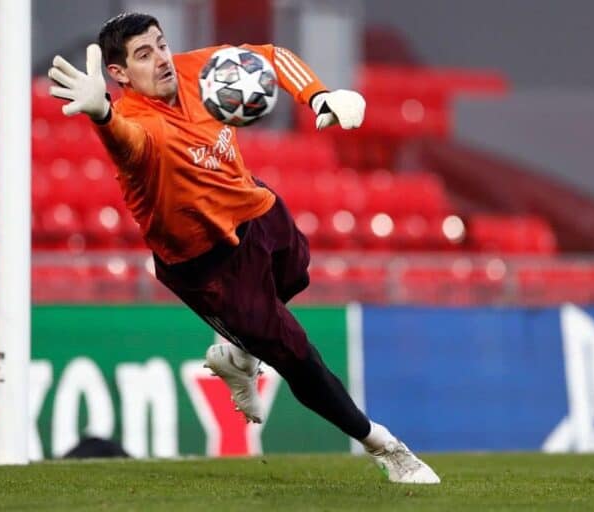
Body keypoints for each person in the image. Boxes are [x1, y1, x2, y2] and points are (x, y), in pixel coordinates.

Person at [48, 12, 440, 485]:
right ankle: (385, 447)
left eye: (161, 45)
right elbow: (126, 142)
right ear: (120, 74)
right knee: (295, 355)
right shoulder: (135, 122)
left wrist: (319, 95)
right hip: (208, 264)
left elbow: (271, 58)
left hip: (254, 208)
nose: (162, 59)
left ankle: (239, 351)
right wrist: (104, 115)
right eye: (144, 55)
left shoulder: (200, 70)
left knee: (297, 270)